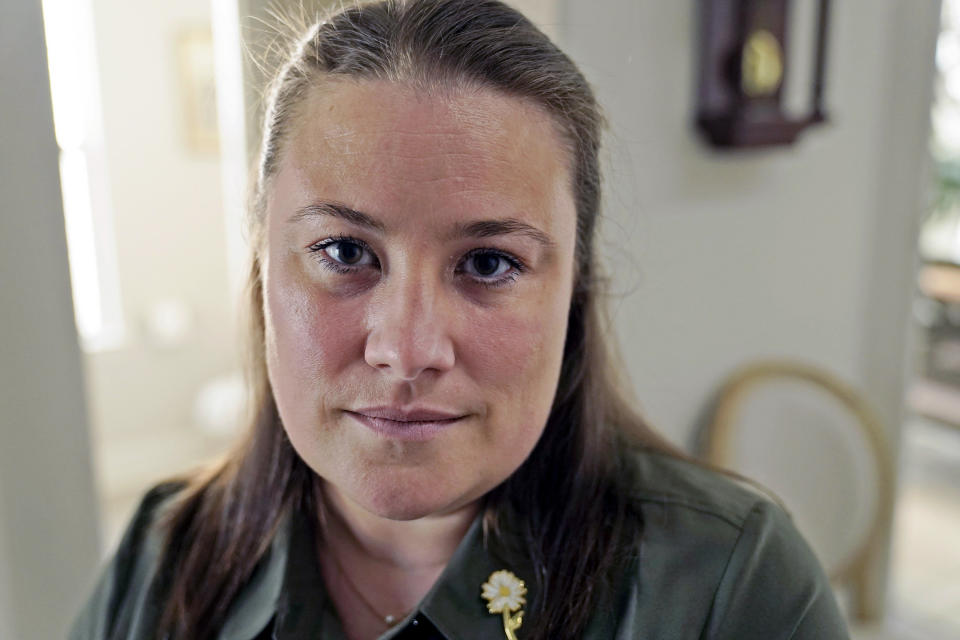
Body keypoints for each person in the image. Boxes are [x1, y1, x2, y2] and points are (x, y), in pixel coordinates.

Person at [70, 1, 850, 638]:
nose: (407, 351)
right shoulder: (167, 551)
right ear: (263, 269)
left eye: (487, 264)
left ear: (574, 292)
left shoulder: (733, 587)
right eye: (344, 252)